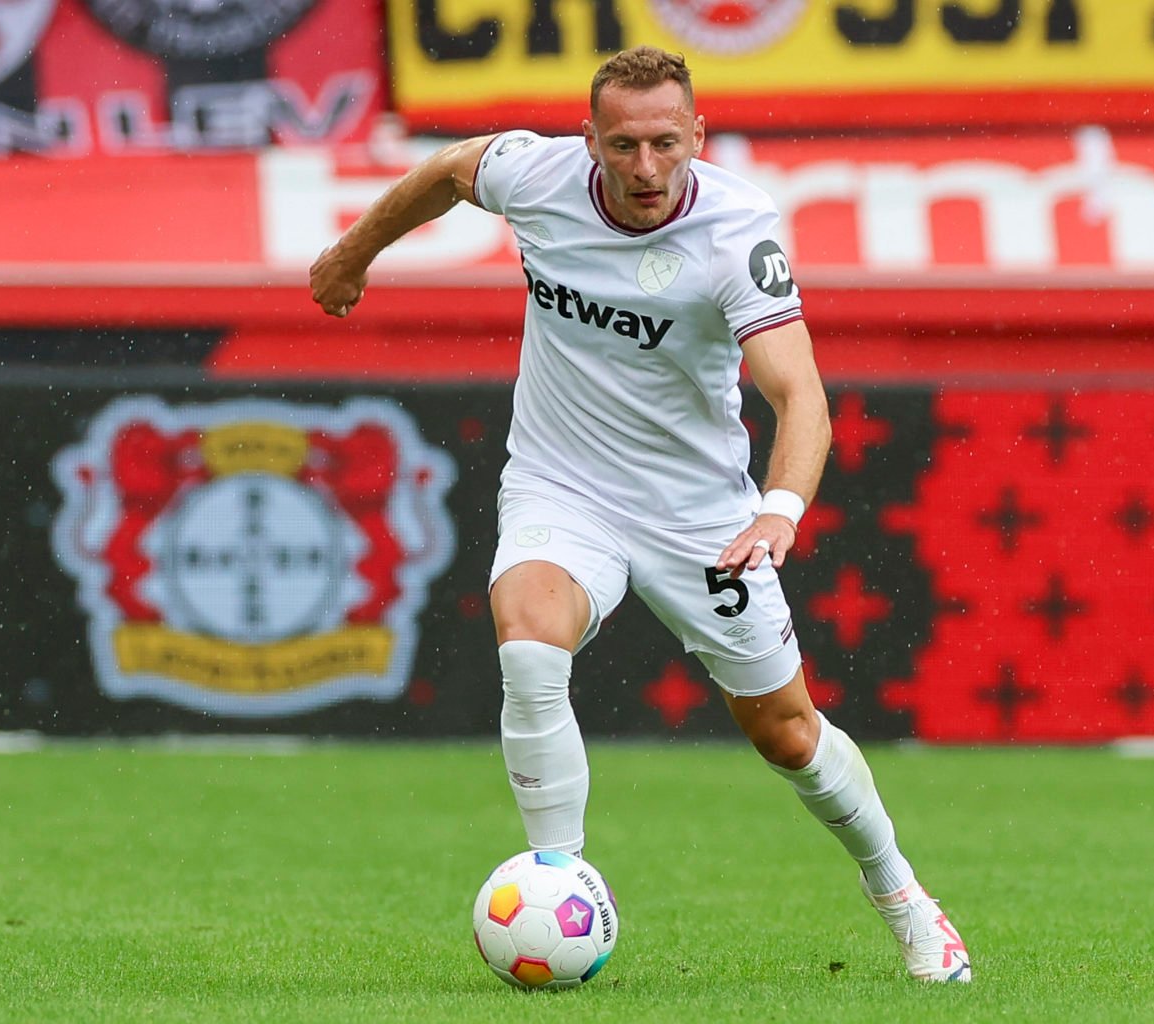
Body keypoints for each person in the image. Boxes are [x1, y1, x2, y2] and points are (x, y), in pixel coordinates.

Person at [309, 46, 971, 984]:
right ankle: (558, 882)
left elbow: (802, 394)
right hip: (561, 484)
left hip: (699, 515)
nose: (648, 167)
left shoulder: (737, 235)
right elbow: (448, 170)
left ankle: (901, 893)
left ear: (698, 136)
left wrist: (780, 508)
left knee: (787, 734)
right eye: (625, 145)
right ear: (591, 141)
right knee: (530, 636)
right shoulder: (537, 177)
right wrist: (352, 252)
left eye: (667, 142)